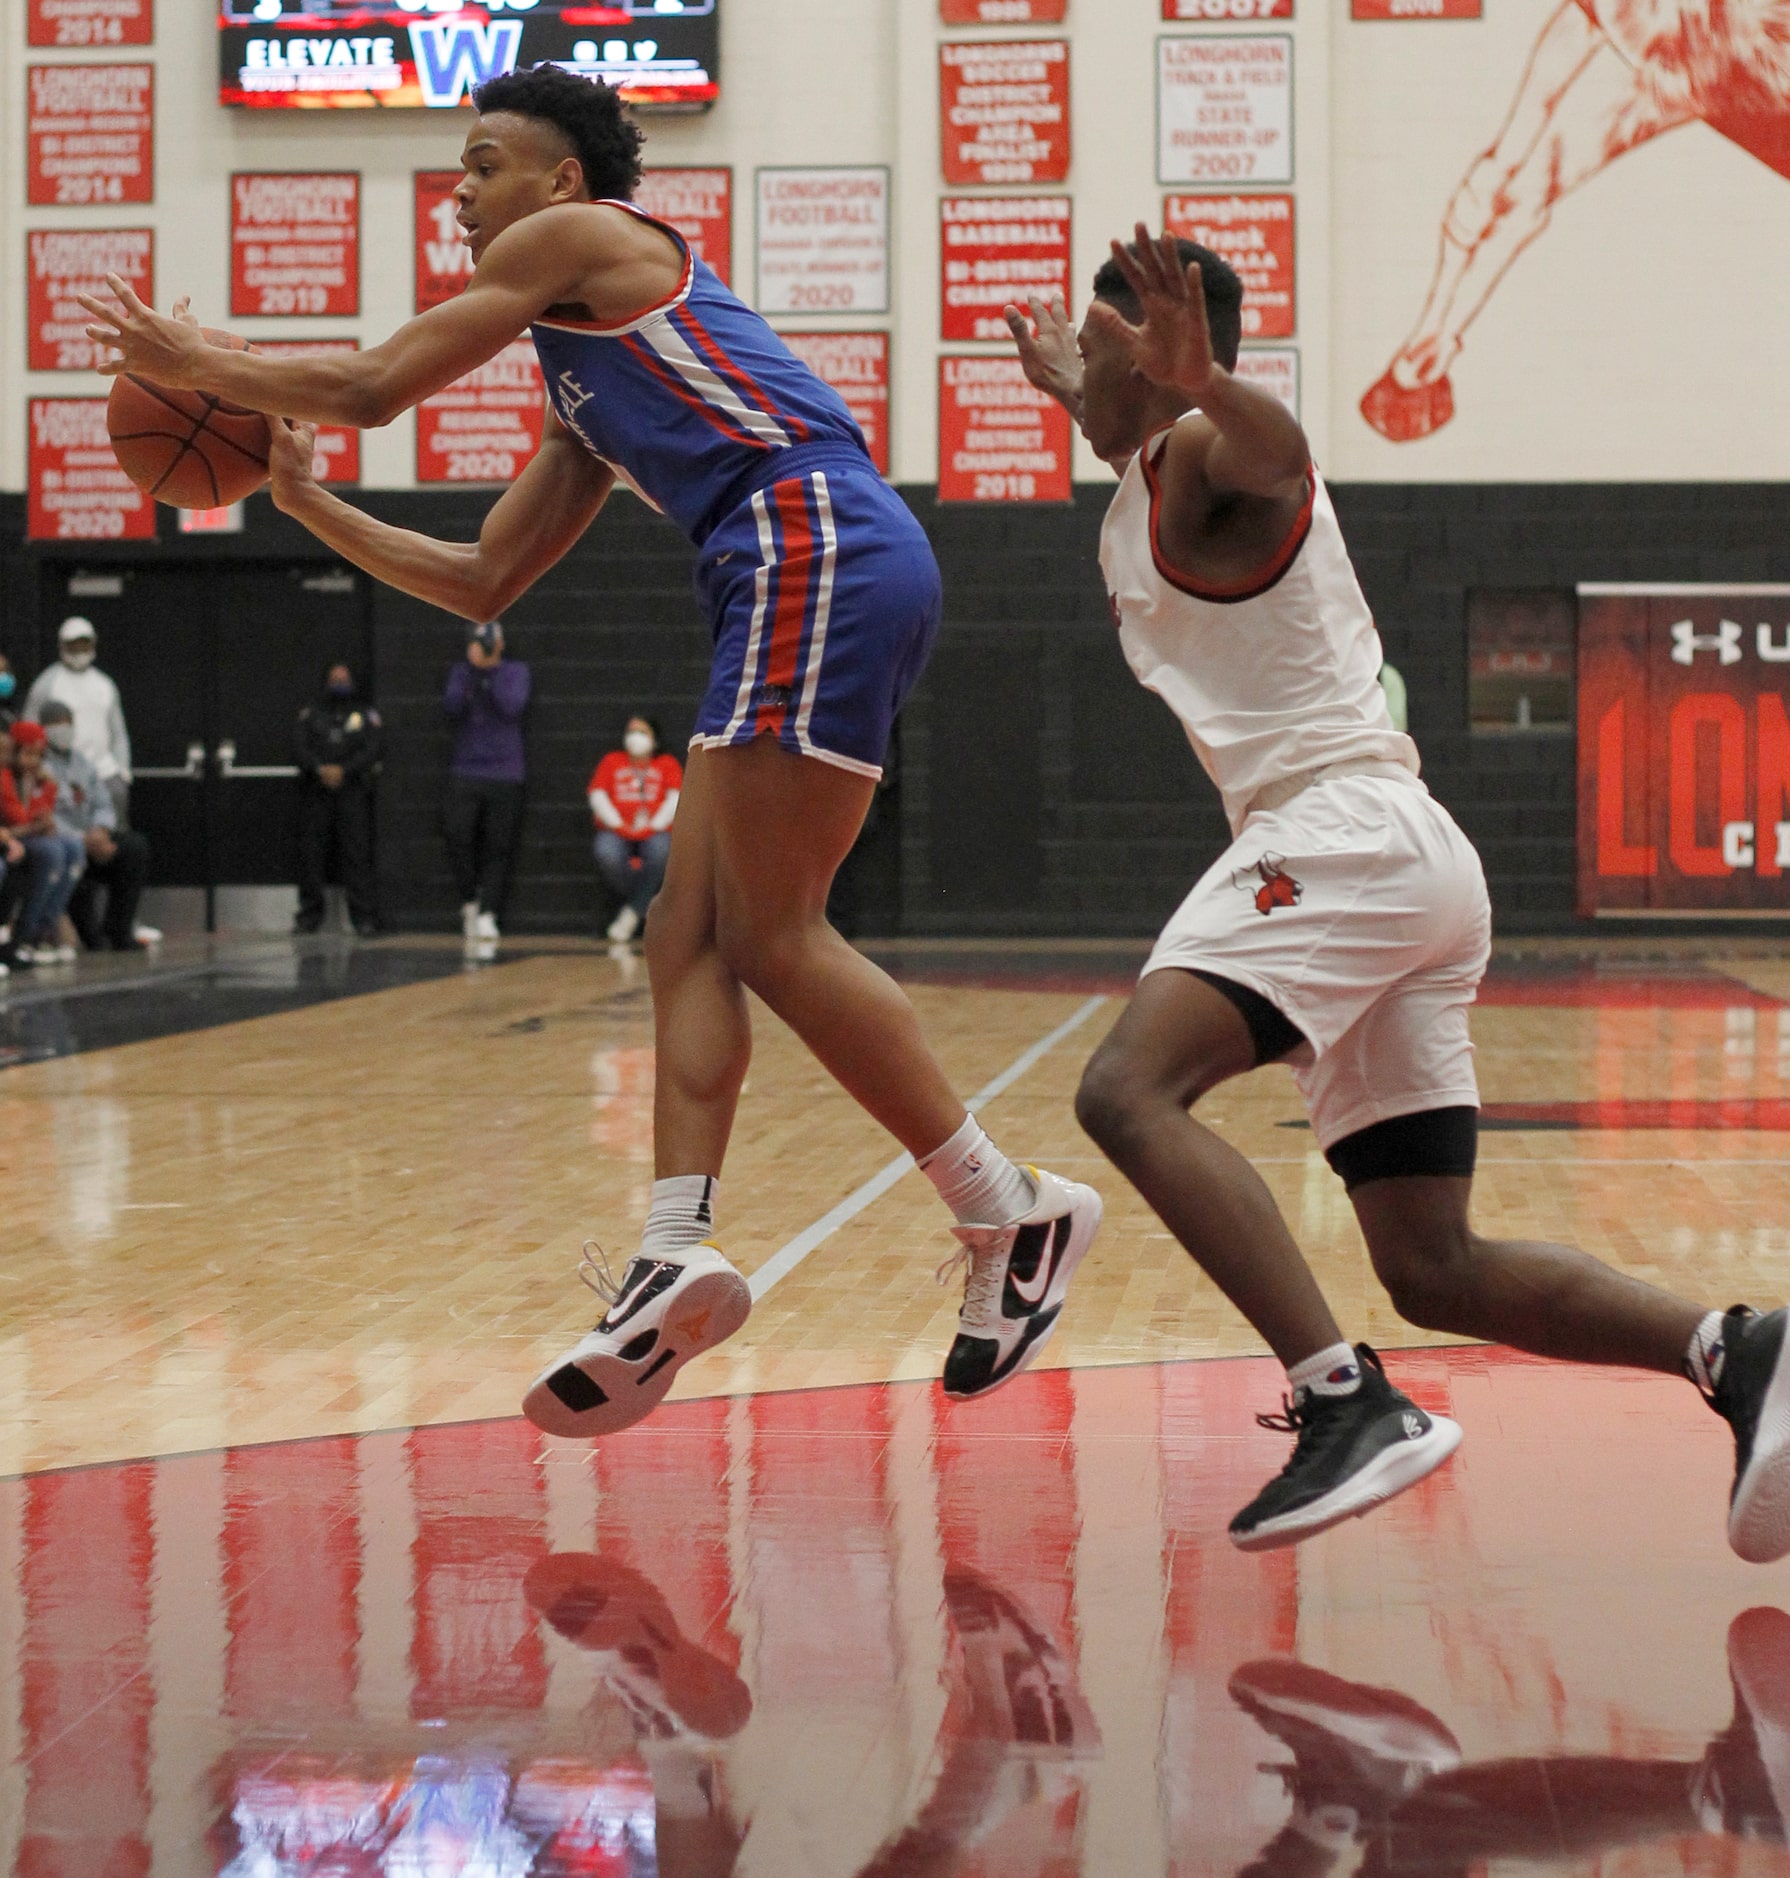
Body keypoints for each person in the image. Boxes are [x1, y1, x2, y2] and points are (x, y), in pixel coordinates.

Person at [82, 62, 1101, 1441]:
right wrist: (298, 497)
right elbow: (481, 578)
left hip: (810, 538)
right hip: (790, 563)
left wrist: (194, 365)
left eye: (485, 159)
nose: (464, 186)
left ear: (561, 182)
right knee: (688, 930)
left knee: (777, 935)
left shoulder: (583, 239)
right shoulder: (579, 378)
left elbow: (377, 384)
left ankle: (1008, 1208)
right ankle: (674, 1246)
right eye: (462, 166)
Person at [1003, 228, 1790, 1559]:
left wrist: (1204, 387)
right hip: (1394, 857)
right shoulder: (1135, 466)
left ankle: (1341, 1400)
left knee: (1123, 1092)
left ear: (1164, 361)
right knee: (1428, 1262)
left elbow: (1275, 452)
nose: (1080, 372)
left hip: (1341, 834)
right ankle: (1736, 1348)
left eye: (1097, 350)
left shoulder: (1202, 456)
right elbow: (1118, 411)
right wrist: (1070, 383)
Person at [22, 618, 159, 945]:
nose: (80, 651)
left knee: (125, 847)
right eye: (74, 645)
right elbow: (29, 727)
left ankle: (123, 925)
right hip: (62, 806)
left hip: (102, 774)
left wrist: (121, 775)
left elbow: (118, 732)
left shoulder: (104, 684)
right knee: (71, 852)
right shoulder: (48, 684)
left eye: (85, 644)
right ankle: (73, 929)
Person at [40, 700, 152, 952]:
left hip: (93, 838)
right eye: (55, 726)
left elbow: (102, 803)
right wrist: (82, 839)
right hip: (67, 841)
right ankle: (90, 935)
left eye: (66, 724)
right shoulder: (39, 764)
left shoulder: (81, 762)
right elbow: (44, 812)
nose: (62, 731)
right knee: (71, 852)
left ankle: (119, 929)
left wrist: (100, 830)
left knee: (134, 847)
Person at [442, 621, 529, 943]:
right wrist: (472, 671)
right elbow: (452, 706)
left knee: (499, 845)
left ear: (501, 644)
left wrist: (489, 673)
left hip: (505, 771)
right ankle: (469, 900)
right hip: (466, 770)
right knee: (457, 834)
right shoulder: (461, 672)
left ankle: (489, 911)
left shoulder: (515, 672)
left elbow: (511, 707)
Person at [295, 661, 384, 938]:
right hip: (316, 791)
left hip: (352, 791)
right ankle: (309, 917)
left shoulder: (364, 714)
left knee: (356, 856)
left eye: (344, 678)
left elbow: (372, 749)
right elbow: (299, 748)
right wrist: (321, 769)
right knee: (312, 856)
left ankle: (362, 918)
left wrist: (344, 770)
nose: (339, 683)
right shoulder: (311, 714)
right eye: (334, 678)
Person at [589, 714, 680, 942]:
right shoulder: (612, 761)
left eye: (642, 732)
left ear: (654, 739)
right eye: (631, 732)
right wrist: (620, 825)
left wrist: (652, 826)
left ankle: (631, 913)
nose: (635, 738)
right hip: (617, 830)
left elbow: (675, 799)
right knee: (606, 851)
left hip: (656, 831)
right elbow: (597, 795)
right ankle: (644, 902)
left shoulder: (667, 763)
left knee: (662, 852)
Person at [0, 722, 84, 964]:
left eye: (38, 755)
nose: (33, 761)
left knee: (72, 848)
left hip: (18, 838)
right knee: (51, 852)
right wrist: (37, 818)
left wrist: (45, 787)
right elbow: (21, 818)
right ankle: (22, 936)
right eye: (27, 754)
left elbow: (43, 817)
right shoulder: (5, 776)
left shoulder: (35, 778)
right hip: (16, 838)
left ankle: (40, 933)